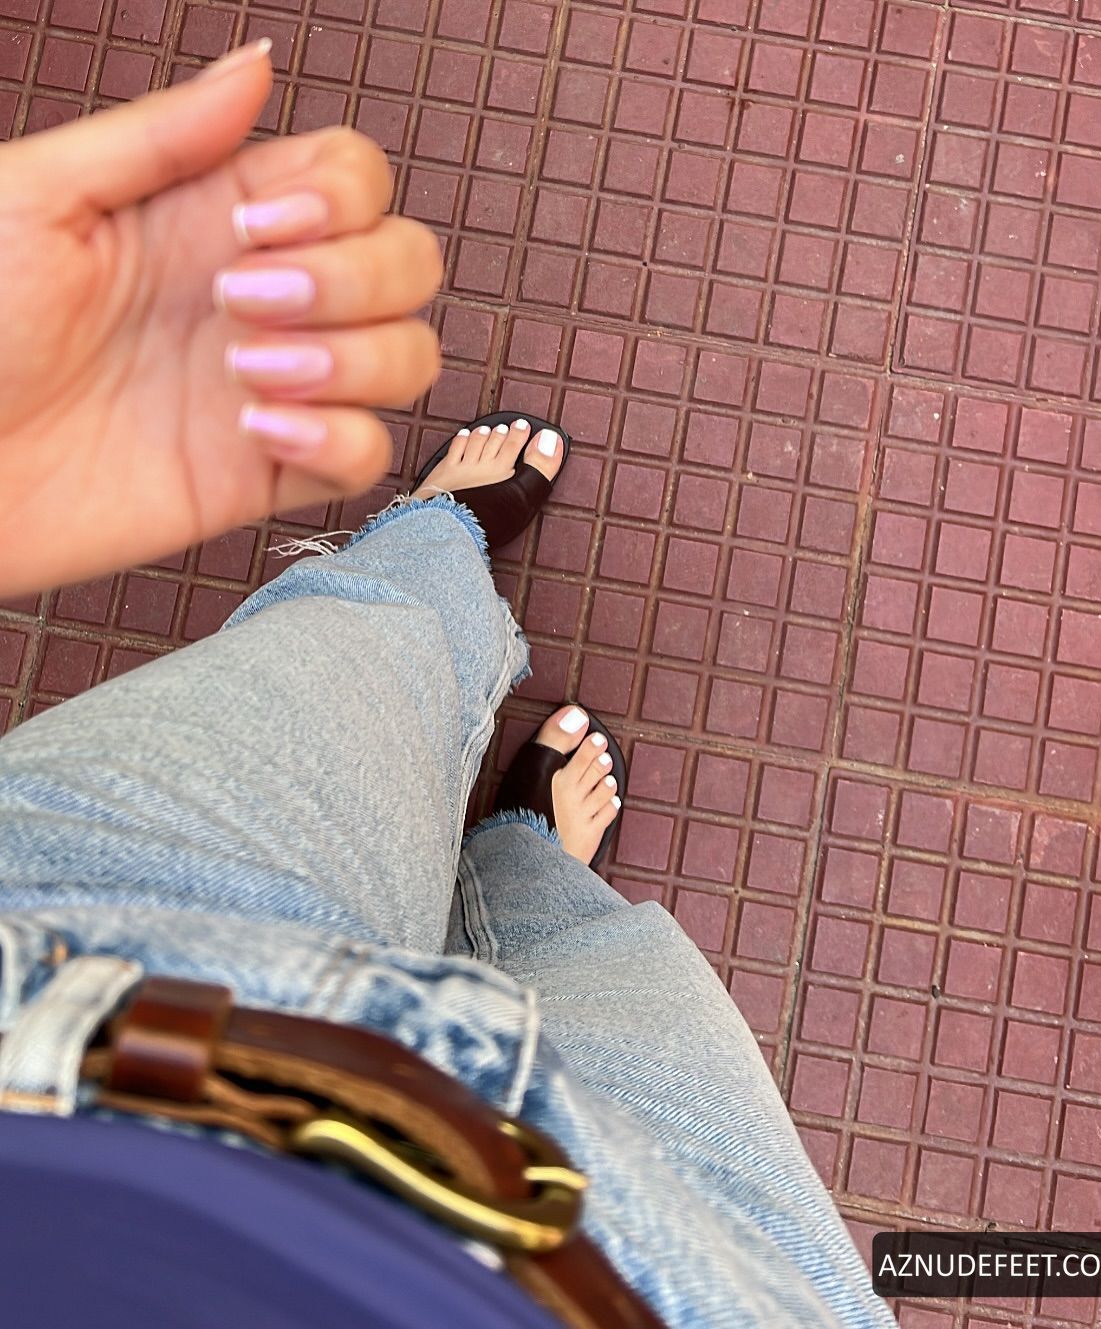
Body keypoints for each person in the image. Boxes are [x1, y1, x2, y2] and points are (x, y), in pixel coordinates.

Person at [0, 43, 895, 1329]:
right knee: (606, 973)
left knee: (357, 663)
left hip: (76, 964)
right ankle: (524, 862)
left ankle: (440, 548)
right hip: (659, 1290)